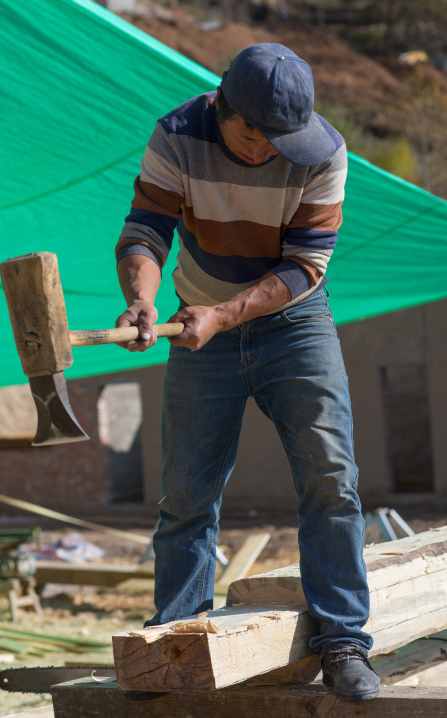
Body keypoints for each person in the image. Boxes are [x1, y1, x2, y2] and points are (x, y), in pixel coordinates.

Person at [114, 43, 380, 703]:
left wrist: (226, 314)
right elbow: (146, 231)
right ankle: (172, 643)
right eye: (252, 134)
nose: (267, 150)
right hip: (196, 326)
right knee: (185, 495)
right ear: (221, 106)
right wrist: (144, 300)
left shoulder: (324, 152)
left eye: (282, 138)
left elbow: (306, 263)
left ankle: (343, 641)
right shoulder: (178, 134)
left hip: (293, 320)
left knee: (331, 478)